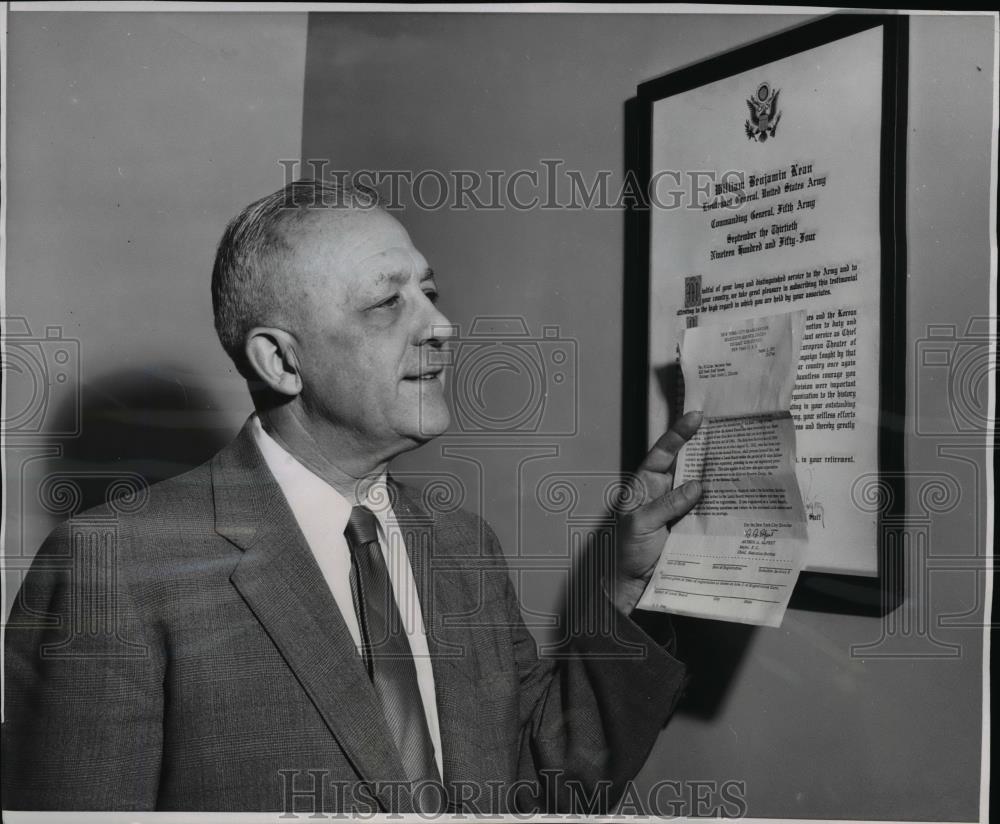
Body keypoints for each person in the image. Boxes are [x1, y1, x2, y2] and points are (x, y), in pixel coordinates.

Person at [2, 179, 703, 814]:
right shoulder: (113, 567)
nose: (439, 326)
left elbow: (547, 779)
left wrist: (620, 586)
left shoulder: (463, 544)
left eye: (430, 292)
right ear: (280, 361)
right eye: (387, 302)